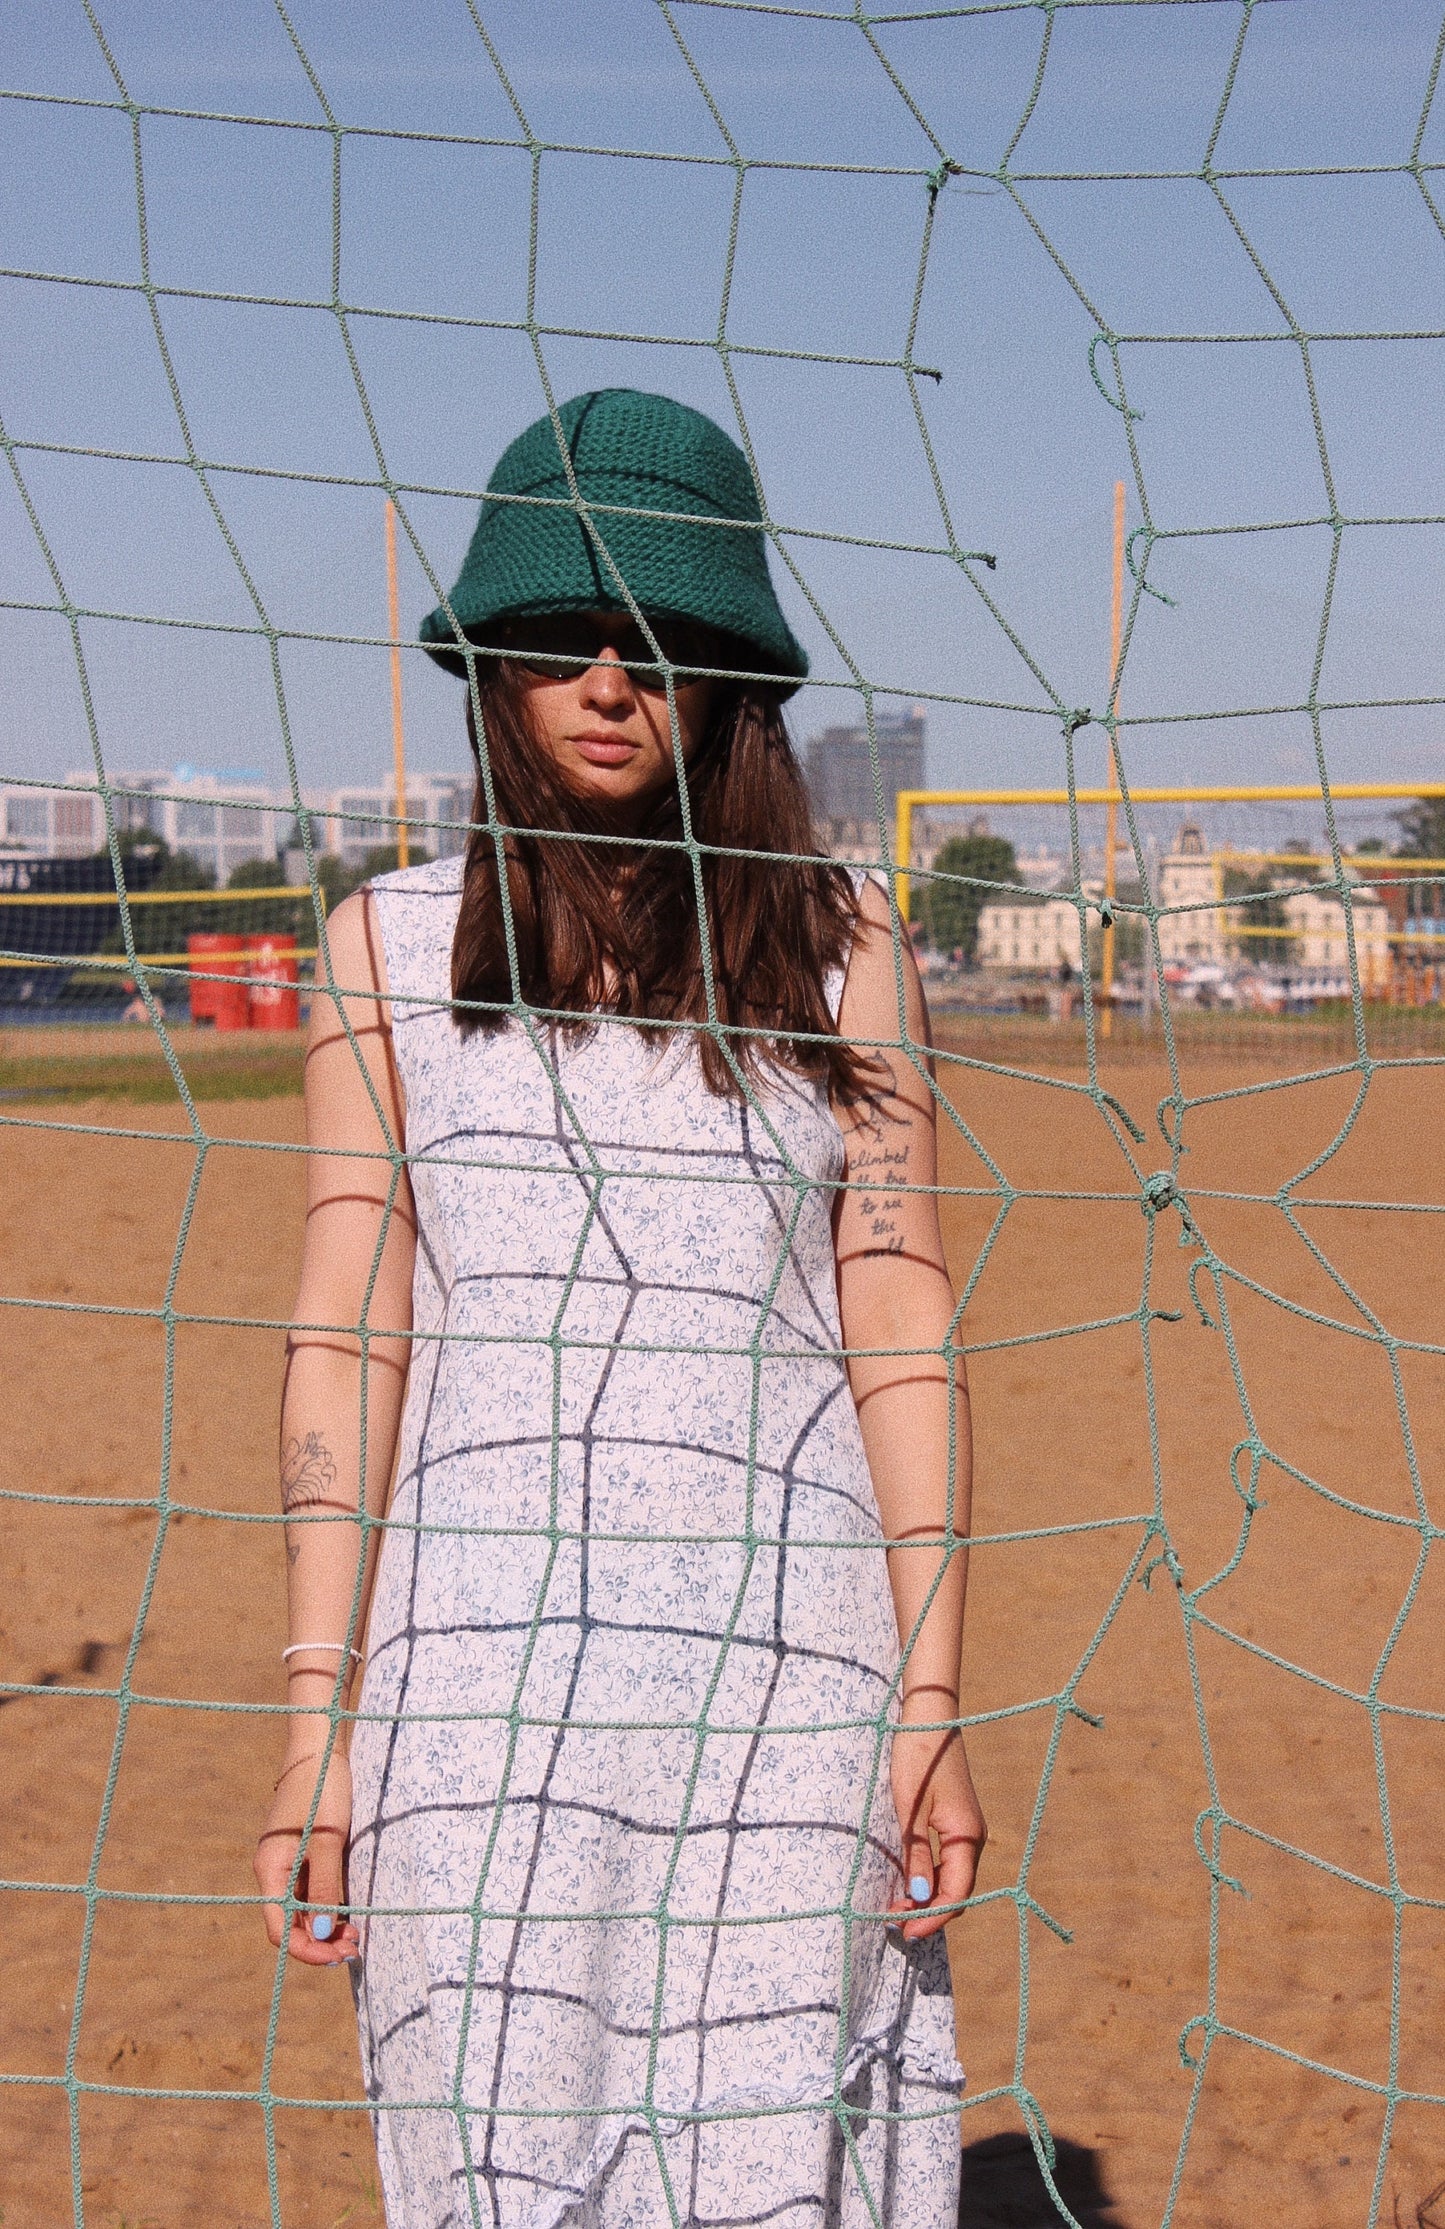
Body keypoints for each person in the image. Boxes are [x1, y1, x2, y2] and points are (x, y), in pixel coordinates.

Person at [254, 389, 985, 2228]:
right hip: (476, 1690)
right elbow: (345, 1335)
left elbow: (900, 1316)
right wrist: (319, 1724)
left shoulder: (844, 947)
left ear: (728, 677)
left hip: (791, 1685)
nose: (603, 681)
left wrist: (932, 1695)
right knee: (501, 2163)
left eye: (653, 639)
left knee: (775, 2166)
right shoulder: (381, 948)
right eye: (557, 637)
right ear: (491, 665)